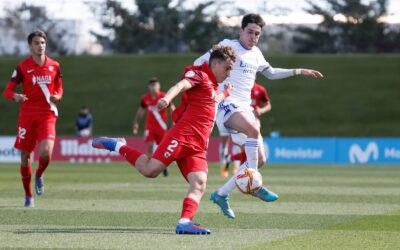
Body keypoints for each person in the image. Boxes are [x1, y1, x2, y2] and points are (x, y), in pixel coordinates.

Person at [92, 45, 235, 235]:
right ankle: (117, 145)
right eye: (227, 69)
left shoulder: (212, 86)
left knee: (199, 182)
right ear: (215, 64)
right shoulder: (200, 75)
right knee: (149, 170)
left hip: (198, 146)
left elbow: (212, 101)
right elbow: (181, 85)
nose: (228, 73)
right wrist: (167, 99)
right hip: (182, 136)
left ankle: (184, 222)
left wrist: (225, 94)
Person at [194, 13, 323, 219]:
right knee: (254, 130)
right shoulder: (228, 45)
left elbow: (271, 73)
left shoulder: (256, 54)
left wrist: (299, 70)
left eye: (257, 34)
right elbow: (200, 61)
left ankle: (221, 194)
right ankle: (254, 184)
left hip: (244, 108)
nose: (253, 37)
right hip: (226, 103)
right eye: (250, 32)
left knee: (260, 159)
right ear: (241, 31)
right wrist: (195, 81)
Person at [2, 30, 63, 208]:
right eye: (36, 43)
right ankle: (28, 195)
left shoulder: (54, 65)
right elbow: (7, 91)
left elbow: (59, 87)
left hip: (47, 114)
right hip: (27, 115)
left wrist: (58, 96)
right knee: (25, 157)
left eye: (42, 42)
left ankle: (39, 174)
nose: (40, 45)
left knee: (46, 153)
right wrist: (16, 97)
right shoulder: (22, 67)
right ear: (30, 46)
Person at [224, 81, 272, 170]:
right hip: (239, 119)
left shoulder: (260, 89)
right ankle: (244, 177)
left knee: (256, 157)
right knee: (246, 152)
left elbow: (268, 105)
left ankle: (231, 160)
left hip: (254, 121)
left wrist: (261, 111)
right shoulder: (237, 87)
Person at [132, 77, 175, 177]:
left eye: (155, 85)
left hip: (161, 127)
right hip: (150, 127)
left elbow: (172, 107)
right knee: (149, 145)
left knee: (162, 148)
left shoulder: (164, 97)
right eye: (151, 85)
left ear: (159, 86)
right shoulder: (145, 98)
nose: (153, 87)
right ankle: (150, 166)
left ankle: (163, 166)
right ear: (149, 87)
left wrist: (174, 120)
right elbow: (140, 111)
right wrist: (136, 123)